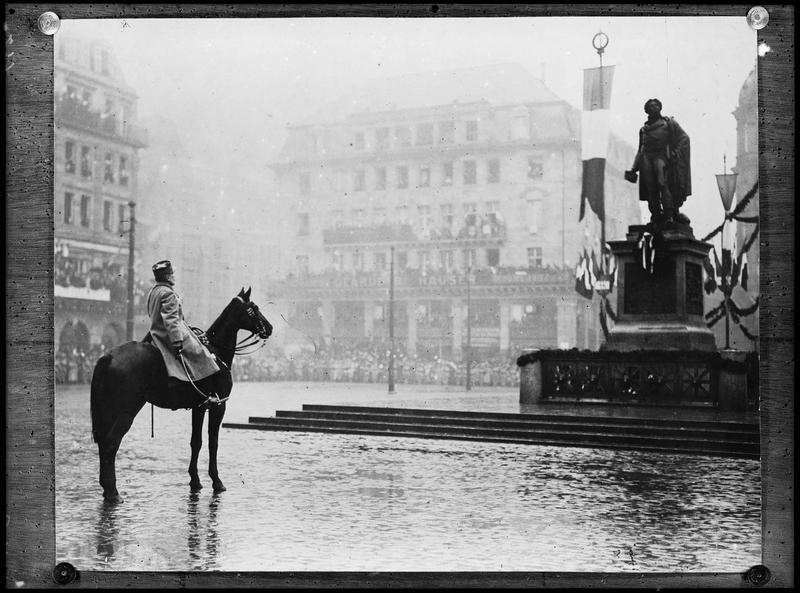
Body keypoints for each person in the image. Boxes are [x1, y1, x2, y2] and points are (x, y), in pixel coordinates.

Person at [146, 260, 223, 403]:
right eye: (172, 274)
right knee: (202, 353)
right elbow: (171, 320)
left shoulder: (154, 291)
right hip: (167, 335)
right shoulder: (168, 293)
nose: (174, 276)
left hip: (155, 333)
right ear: (168, 277)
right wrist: (177, 341)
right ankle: (205, 395)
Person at [625, 98, 692, 225]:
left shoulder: (669, 123)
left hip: (661, 157)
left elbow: (684, 138)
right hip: (647, 158)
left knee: (662, 183)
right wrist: (634, 168)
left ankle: (669, 214)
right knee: (651, 188)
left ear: (660, 108)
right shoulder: (644, 129)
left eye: (656, 105)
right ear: (646, 110)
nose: (653, 107)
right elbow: (641, 150)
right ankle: (655, 215)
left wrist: (676, 152)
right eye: (650, 106)